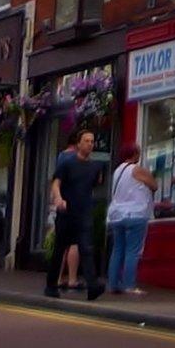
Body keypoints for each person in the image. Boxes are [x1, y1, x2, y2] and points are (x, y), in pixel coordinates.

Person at [43, 129, 105, 302]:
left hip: (83, 213)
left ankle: (92, 286)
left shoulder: (95, 167)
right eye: (86, 141)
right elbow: (56, 184)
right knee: (59, 249)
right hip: (66, 212)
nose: (90, 144)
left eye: (92, 141)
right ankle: (51, 285)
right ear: (78, 144)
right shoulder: (67, 164)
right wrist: (59, 198)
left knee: (86, 248)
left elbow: (93, 185)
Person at [104, 142, 156, 296]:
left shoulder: (117, 171)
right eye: (138, 153)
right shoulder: (137, 169)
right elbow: (154, 185)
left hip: (116, 215)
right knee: (132, 251)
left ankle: (113, 284)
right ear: (134, 154)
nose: (139, 155)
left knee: (117, 250)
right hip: (135, 213)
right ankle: (129, 285)